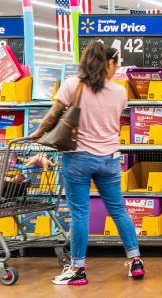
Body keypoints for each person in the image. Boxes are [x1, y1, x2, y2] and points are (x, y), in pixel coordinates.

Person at [32, 41, 144, 285]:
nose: (118, 68)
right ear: (108, 63)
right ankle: (135, 261)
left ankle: (78, 269)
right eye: (117, 63)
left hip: (79, 158)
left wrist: (38, 132)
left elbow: (53, 115)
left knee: (80, 214)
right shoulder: (120, 91)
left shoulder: (74, 84)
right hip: (110, 159)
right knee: (118, 210)